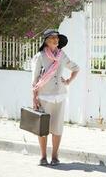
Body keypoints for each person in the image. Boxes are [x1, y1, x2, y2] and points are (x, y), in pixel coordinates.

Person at [31, 29, 80, 166]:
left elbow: (76, 68)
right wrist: (34, 98)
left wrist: (69, 81)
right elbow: (34, 80)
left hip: (60, 96)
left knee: (57, 128)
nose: (56, 40)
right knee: (43, 128)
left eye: (57, 38)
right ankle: (42, 157)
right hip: (44, 97)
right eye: (52, 38)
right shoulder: (40, 56)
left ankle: (55, 157)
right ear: (46, 41)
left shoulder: (62, 55)